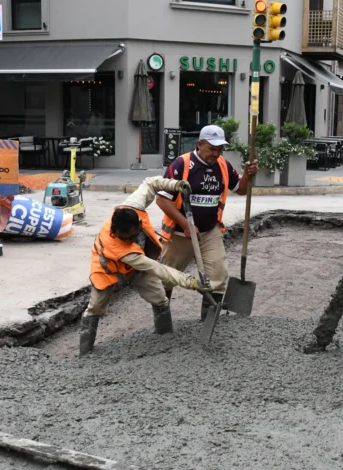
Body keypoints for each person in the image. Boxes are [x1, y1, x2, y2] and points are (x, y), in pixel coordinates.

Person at [80, 176, 214, 356]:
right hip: (107, 268)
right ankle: (85, 353)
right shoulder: (121, 249)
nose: (129, 240)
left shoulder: (133, 205)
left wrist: (175, 185)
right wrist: (191, 282)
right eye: (124, 238)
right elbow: (159, 269)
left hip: (136, 267)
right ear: (114, 231)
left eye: (133, 236)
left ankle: (165, 338)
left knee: (160, 298)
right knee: (96, 307)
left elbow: (150, 183)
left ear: (139, 224)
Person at [156, 125, 258, 320]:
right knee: (166, 278)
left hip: (210, 231)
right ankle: (162, 323)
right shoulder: (181, 164)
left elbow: (242, 190)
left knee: (218, 276)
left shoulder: (223, 165)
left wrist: (247, 174)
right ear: (199, 144)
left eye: (220, 149)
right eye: (212, 148)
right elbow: (162, 199)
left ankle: (208, 324)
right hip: (180, 233)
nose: (216, 153)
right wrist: (186, 224)